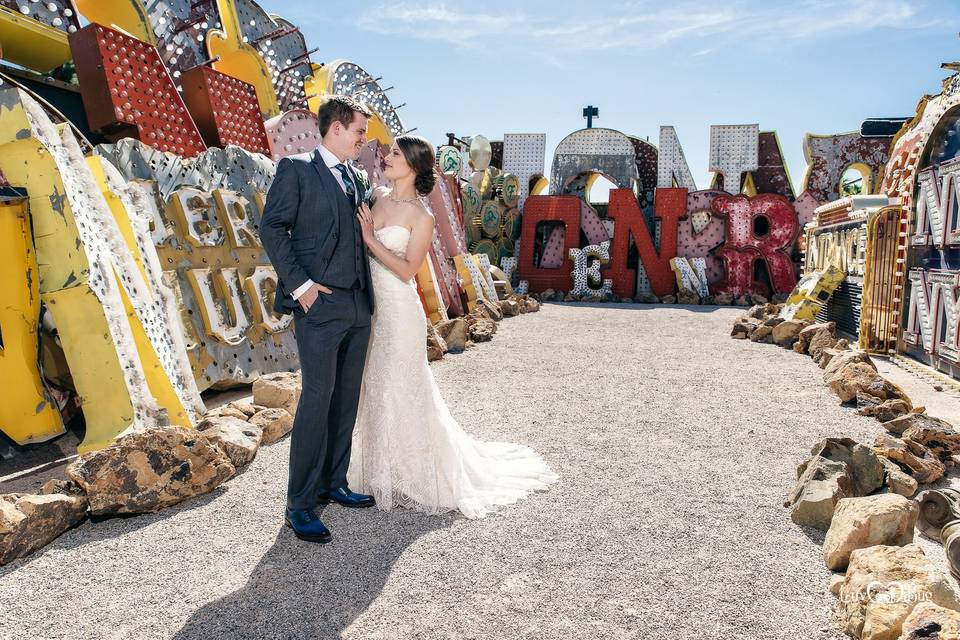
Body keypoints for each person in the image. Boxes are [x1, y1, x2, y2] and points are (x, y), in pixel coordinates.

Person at [352, 135, 558, 519]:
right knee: (375, 383)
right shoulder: (375, 194)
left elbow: (406, 270)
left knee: (401, 384)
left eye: (396, 153)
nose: (387, 157)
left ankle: (414, 473)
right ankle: (377, 468)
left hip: (399, 311)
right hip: (370, 309)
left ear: (413, 165)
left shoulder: (422, 216)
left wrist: (368, 238)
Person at [260, 95, 378, 544]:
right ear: (335, 129)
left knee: (346, 398)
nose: (363, 140)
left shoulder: (356, 176)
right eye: (359, 132)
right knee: (317, 399)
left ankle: (334, 482)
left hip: (357, 304)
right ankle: (300, 504)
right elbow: (272, 227)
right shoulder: (297, 169)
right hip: (319, 306)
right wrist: (303, 287)